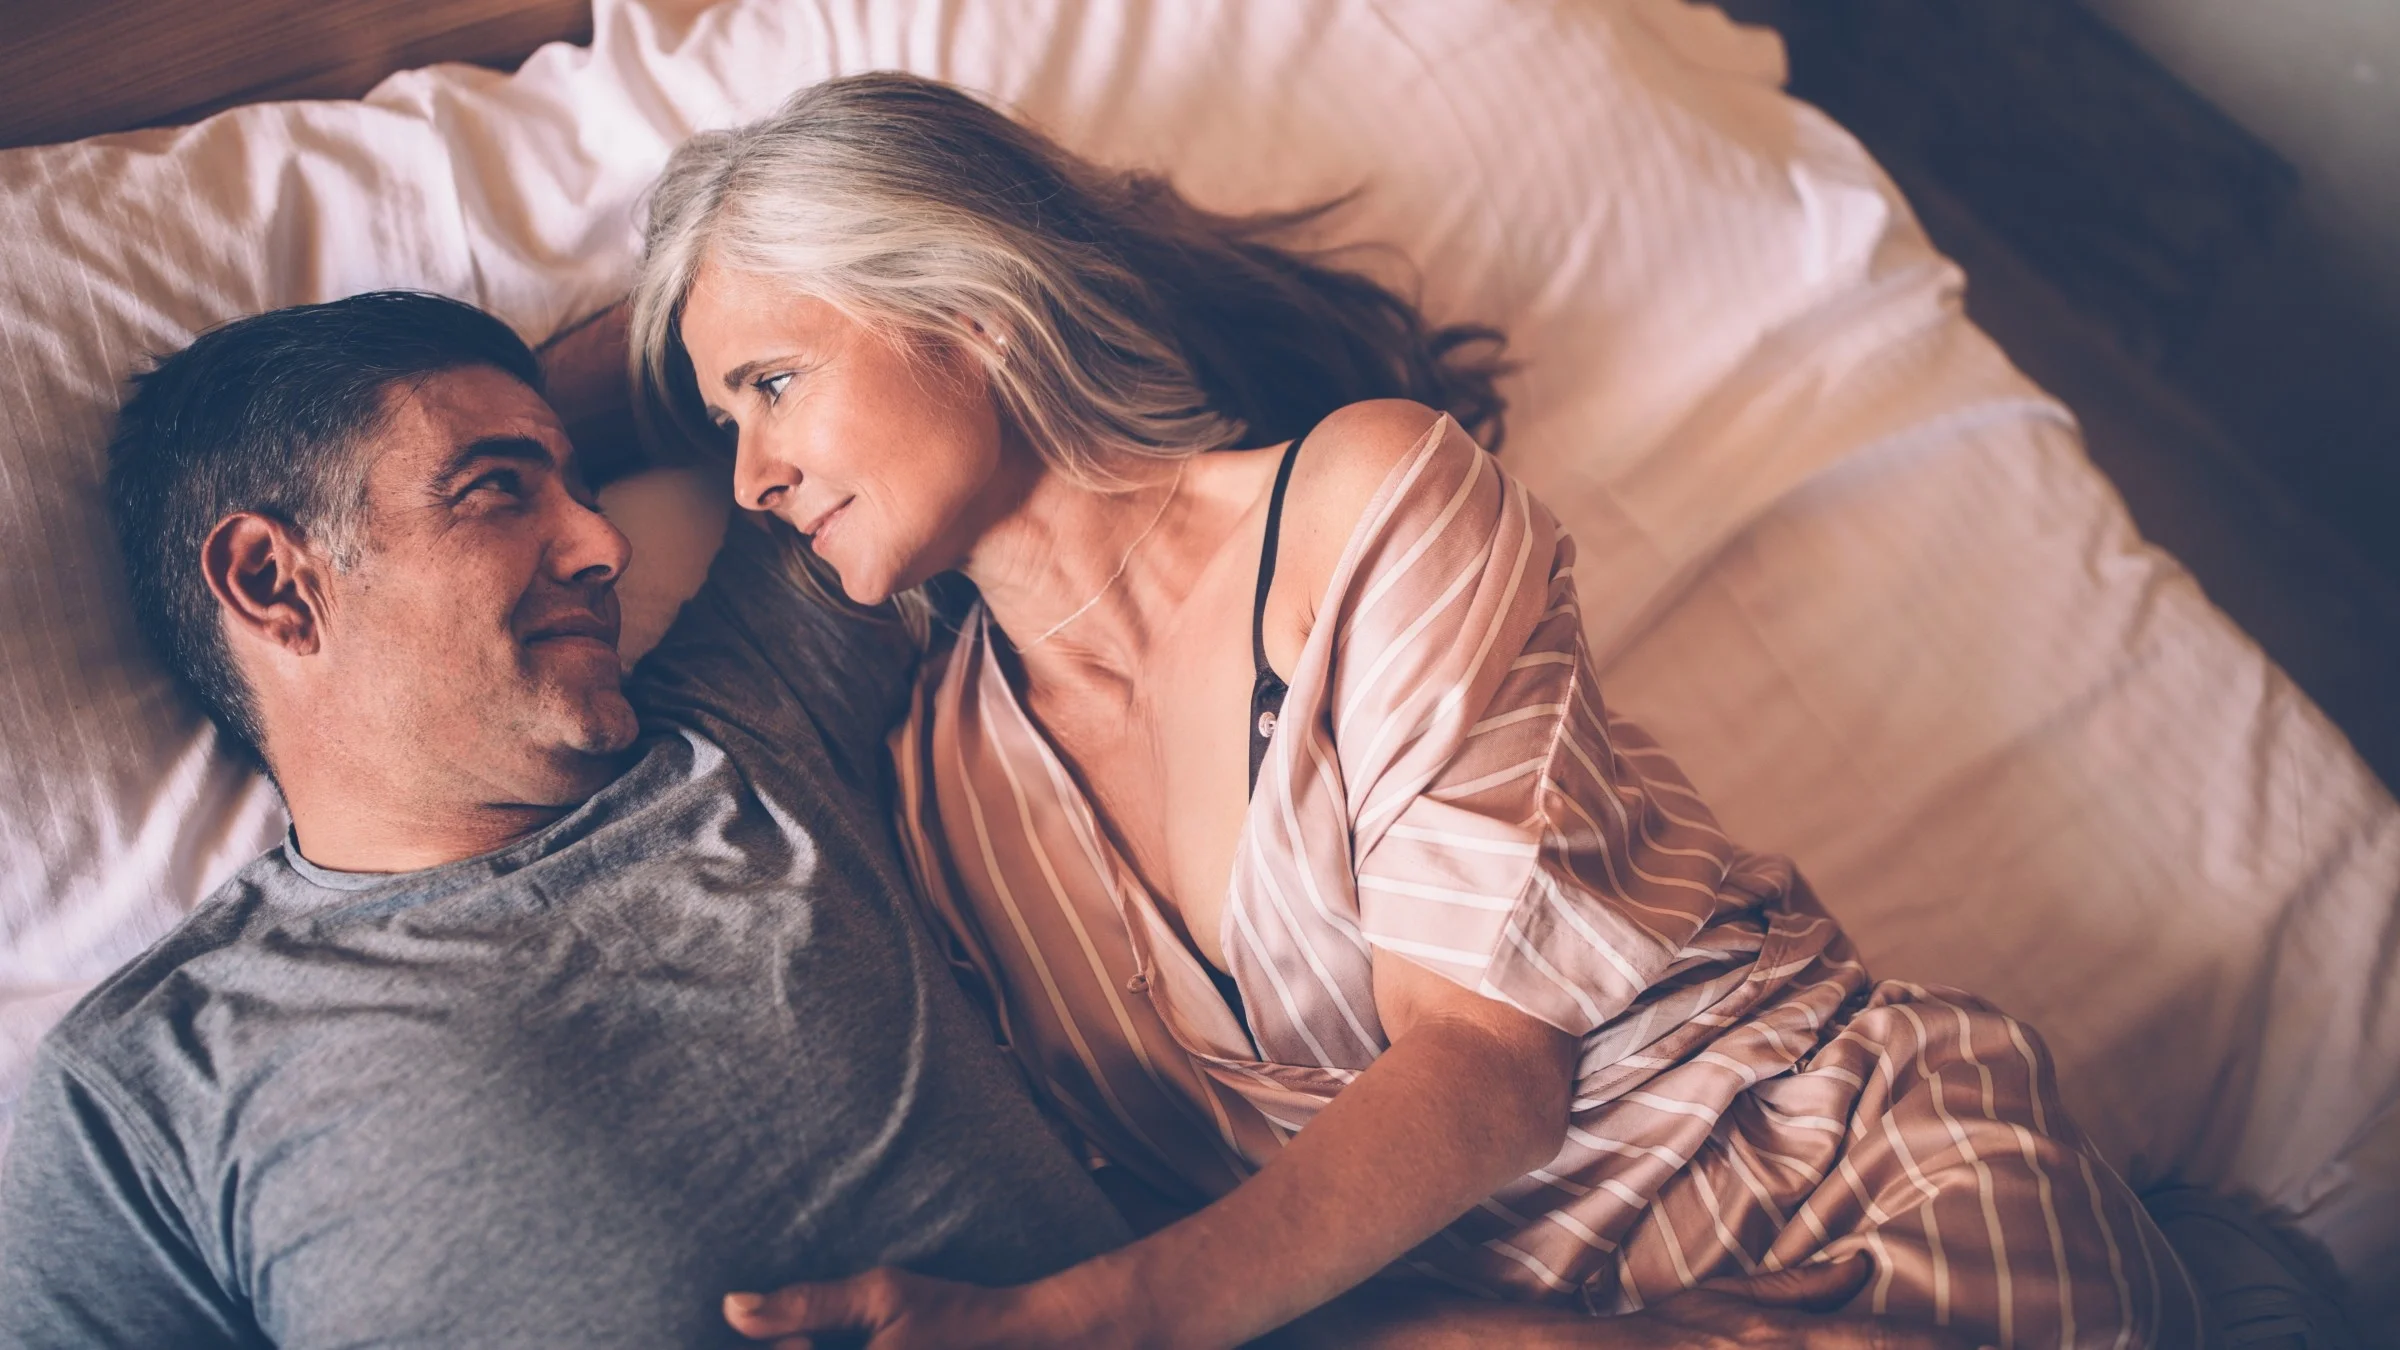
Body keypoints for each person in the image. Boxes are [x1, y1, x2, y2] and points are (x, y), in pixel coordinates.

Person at [630, 73, 2208, 1348]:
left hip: (1831, 1210)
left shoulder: (1366, 505)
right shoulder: (946, 787)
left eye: (771, 381)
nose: (751, 476)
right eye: (716, 424)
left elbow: (1485, 1064)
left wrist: (1096, 1322)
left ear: (966, 304)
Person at [0, 291, 1134, 1348]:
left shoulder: (743, 722)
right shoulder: (144, 1084)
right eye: (496, 487)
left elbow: (844, 313)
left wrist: (511, 410)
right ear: (275, 583)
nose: (606, 544)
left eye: (582, 488)